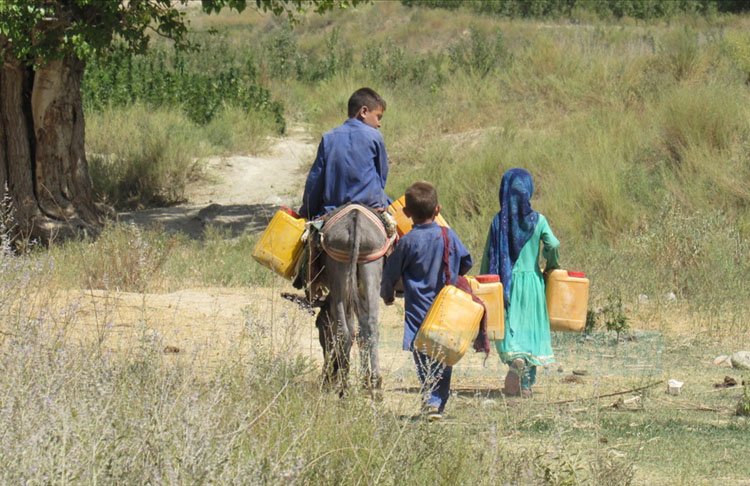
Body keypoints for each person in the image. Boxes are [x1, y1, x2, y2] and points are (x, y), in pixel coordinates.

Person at [381, 181, 473, 420]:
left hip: (419, 311)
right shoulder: (448, 235)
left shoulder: (408, 242)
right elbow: (467, 262)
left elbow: (390, 272)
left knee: (424, 358)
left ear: (407, 213)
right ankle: (437, 401)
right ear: (438, 209)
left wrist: (387, 294)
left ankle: (431, 400)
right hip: (447, 310)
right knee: (445, 356)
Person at [480, 168, 560, 398]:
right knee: (530, 328)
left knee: (511, 327)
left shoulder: (498, 221)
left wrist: (485, 283)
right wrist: (552, 264)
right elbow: (553, 245)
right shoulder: (539, 220)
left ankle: (515, 360)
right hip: (532, 283)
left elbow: (488, 255)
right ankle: (526, 385)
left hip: (507, 284)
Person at [299, 87, 389, 220]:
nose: (379, 124)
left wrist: (307, 210)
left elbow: (315, 182)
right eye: (378, 117)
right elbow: (381, 178)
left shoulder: (328, 138)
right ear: (364, 111)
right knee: (400, 233)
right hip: (371, 208)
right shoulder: (375, 137)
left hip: (333, 211)